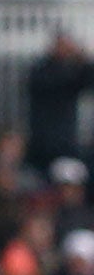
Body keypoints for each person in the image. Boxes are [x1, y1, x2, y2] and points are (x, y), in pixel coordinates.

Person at [26, 30, 94, 175]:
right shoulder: (41, 70)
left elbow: (88, 79)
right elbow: (60, 82)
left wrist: (84, 59)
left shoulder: (72, 69)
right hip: (44, 141)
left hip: (67, 139)